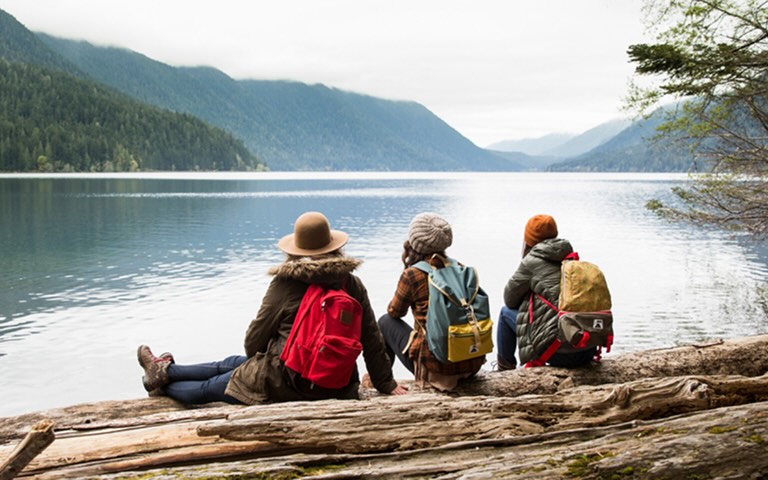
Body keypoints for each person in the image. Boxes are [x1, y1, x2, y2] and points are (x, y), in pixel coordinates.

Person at [137, 211, 408, 405]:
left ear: (296, 250)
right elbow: (371, 338)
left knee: (210, 389)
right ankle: (163, 370)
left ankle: (162, 384)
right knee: (231, 364)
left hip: (287, 382)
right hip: (338, 383)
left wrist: (264, 358)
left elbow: (252, 343)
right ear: (333, 247)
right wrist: (387, 383)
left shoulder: (286, 283)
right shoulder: (352, 284)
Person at [378, 212, 484, 392]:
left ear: (415, 242)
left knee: (385, 321)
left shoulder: (413, 274)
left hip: (437, 369)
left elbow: (395, 312)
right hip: (471, 364)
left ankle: (384, 381)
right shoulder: (460, 269)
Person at [498, 214, 596, 369]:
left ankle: (505, 369)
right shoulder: (570, 257)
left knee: (505, 313)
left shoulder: (531, 262)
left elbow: (509, 300)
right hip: (588, 347)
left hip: (559, 353)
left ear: (528, 240)